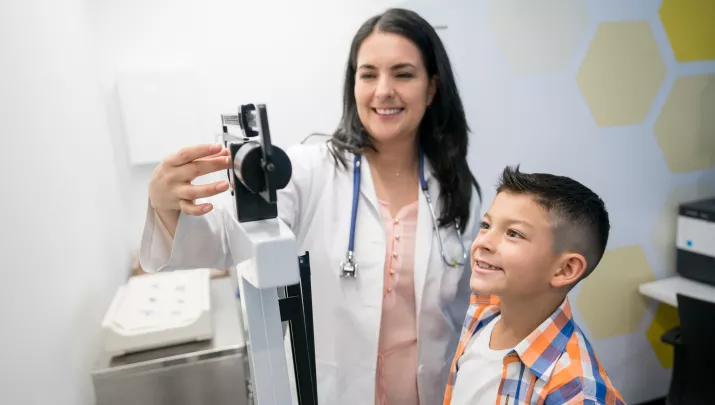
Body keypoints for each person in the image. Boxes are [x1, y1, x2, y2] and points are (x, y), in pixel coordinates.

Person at [141, 7, 482, 405]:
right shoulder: (309, 171)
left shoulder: (457, 192)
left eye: (403, 73)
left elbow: (466, 312)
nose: (383, 90)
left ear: (431, 87)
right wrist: (168, 205)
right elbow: (231, 238)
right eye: (368, 73)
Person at [442, 165, 625, 405]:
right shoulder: (482, 311)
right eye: (486, 225)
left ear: (565, 269)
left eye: (514, 234)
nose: (483, 241)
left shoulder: (576, 393)